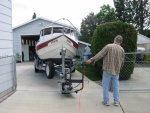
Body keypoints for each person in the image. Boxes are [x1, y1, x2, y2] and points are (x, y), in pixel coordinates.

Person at [86, 35, 124, 106]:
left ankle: (106, 101)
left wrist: (92, 59)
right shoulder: (121, 49)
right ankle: (116, 101)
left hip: (107, 69)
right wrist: (119, 68)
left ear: (114, 39)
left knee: (105, 85)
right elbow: (122, 61)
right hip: (116, 71)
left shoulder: (109, 46)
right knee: (116, 86)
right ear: (120, 42)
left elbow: (100, 54)